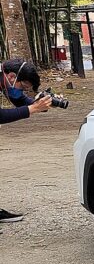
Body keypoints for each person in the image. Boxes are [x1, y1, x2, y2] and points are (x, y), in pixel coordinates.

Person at [1, 59, 52, 223]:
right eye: (23, 87)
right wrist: (33, 109)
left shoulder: (6, 80)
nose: (22, 91)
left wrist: (42, 104)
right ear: (11, 76)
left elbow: (20, 100)